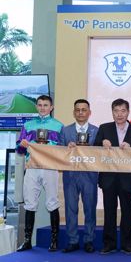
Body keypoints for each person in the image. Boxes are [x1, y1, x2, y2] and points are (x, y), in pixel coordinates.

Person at [94, 98, 131, 255]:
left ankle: (127, 244)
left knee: (127, 212)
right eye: (116, 111)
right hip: (109, 178)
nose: (119, 114)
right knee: (109, 211)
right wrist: (101, 144)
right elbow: (94, 149)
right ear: (112, 112)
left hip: (128, 179)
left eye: (123, 111)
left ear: (128, 112)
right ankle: (108, 244)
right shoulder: (104, 128)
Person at [16, 95, 63, 252]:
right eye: (40, 105)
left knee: (52, 202)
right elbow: (20, 150)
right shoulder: (28, 125)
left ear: (51, 107)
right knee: (30, 203)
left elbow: (62, 150)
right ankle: (28, 240)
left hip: (50, 167)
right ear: (36, 106)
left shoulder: (58, 126)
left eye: (46, 105)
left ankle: (54, 240)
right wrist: (22, 145)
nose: (43, 107)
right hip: (32, 167)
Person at [59, 99, 99, 253]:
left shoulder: (96, 130)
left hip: (89, 176)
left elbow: (100, 153)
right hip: (70, 175)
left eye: (84, 110)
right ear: (74, 112)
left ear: (89, 112)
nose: (81, 113)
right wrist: (67, 149)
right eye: (78, 110)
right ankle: (73, 240)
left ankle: (89, 240)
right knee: (71, 209)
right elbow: (60, 153)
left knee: (90, 209)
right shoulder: (66, 130)